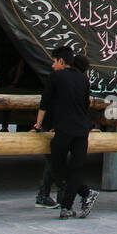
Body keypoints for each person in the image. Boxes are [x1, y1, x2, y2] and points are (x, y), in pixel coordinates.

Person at [33, 46, 97, 219]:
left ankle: (84, 194)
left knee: (56, 165)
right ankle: (69, 206)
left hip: (65, 130)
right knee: (75, 169)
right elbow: (85, 105)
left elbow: (44, 102)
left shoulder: (55, 77)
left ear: (61, 61)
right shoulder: (84, 80)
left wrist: (38, 124)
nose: (53, 65)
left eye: (54, 61)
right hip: (82, 130)